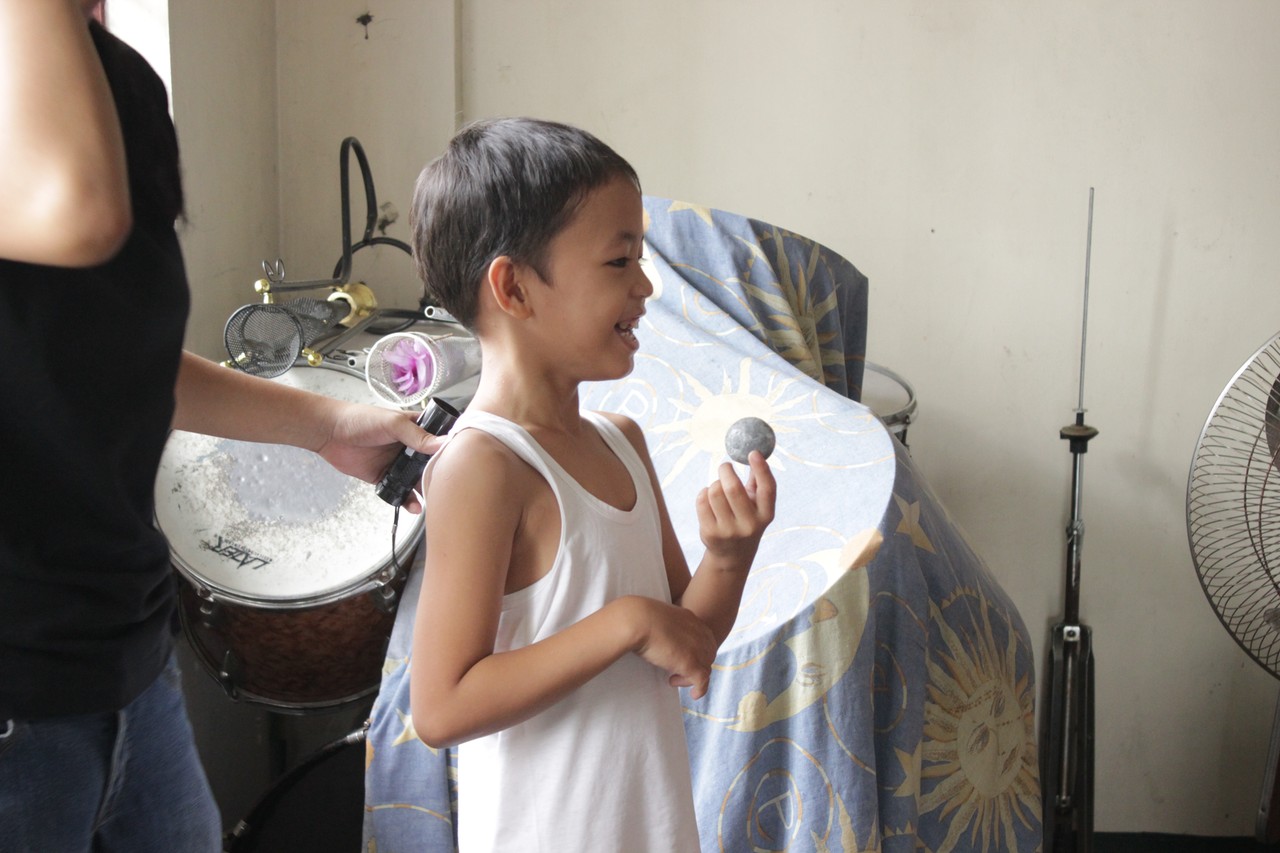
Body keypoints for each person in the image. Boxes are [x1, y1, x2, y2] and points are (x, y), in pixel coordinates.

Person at [0, 4, 439, 851]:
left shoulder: (108, 79)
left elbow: (105, 345)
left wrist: (326, 423)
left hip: (127, 658)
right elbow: (81, 213)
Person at [406, 117, 777, 851]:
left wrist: (730, 558)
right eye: (618, 261)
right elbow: (441, 708)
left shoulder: (621, 441)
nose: (645, 285)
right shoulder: (484, 466)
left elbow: (688, 638)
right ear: (514, 287)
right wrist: (625, 622)